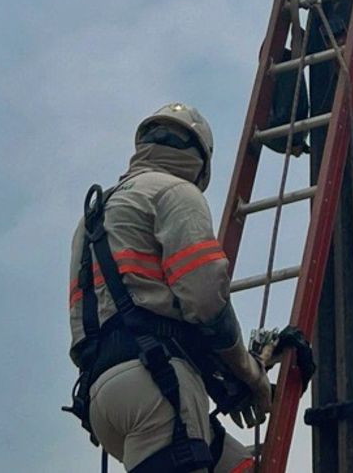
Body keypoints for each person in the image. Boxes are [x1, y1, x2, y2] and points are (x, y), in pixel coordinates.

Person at [66, 103, 272, 473]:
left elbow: (127, 312)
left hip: (103, 397)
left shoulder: (92, 218)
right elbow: (206, 301)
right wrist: (250, 373)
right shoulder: (175, 192)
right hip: (157, 384)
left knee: (239, 467)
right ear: (200, 161)